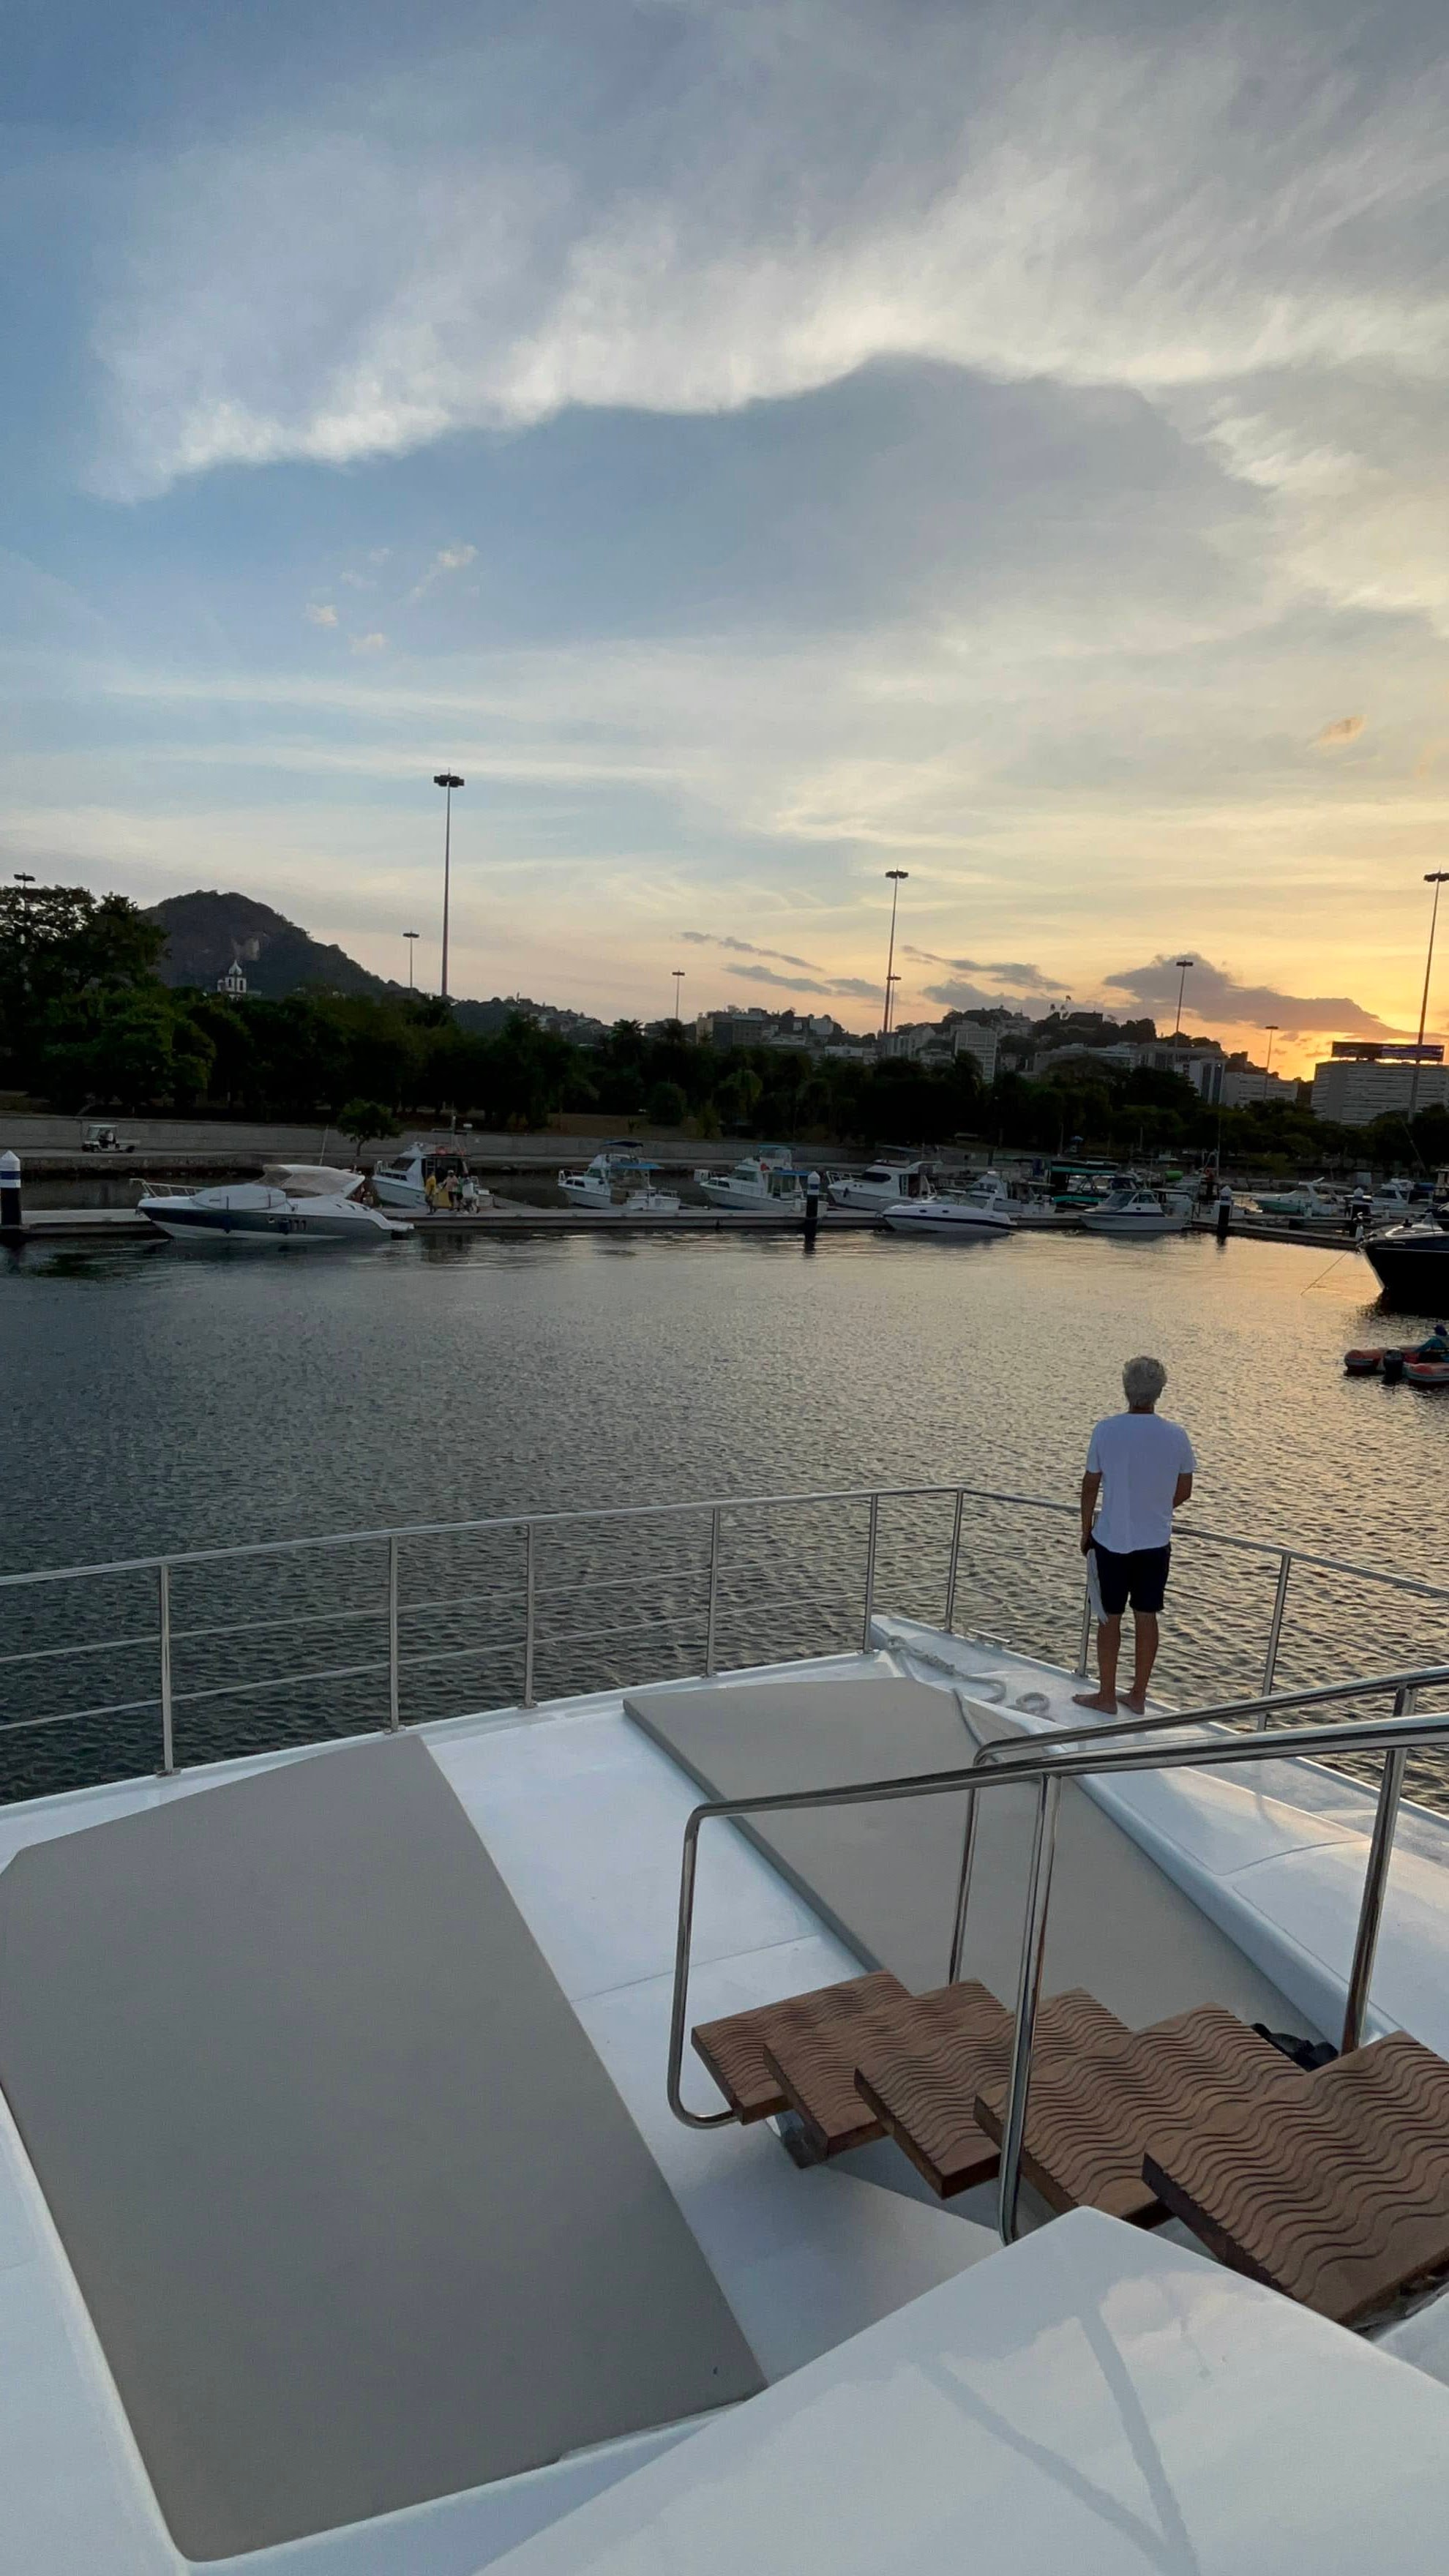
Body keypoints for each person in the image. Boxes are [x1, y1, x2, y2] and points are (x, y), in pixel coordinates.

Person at [1074, 1355, 1194, 1717]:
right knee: (1147, 1615)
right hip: (1155, 1543)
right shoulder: (1176, 1436)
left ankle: (1106, 1695)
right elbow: (1185, 1490)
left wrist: (1085, 1530)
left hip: (1112, 1539)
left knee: (1109, 1617)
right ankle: (1138, 1695)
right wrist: (1155, 1510)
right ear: (1159, 1392)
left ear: (1127, 1389)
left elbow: (1090, 1485)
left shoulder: (1106, 1430)